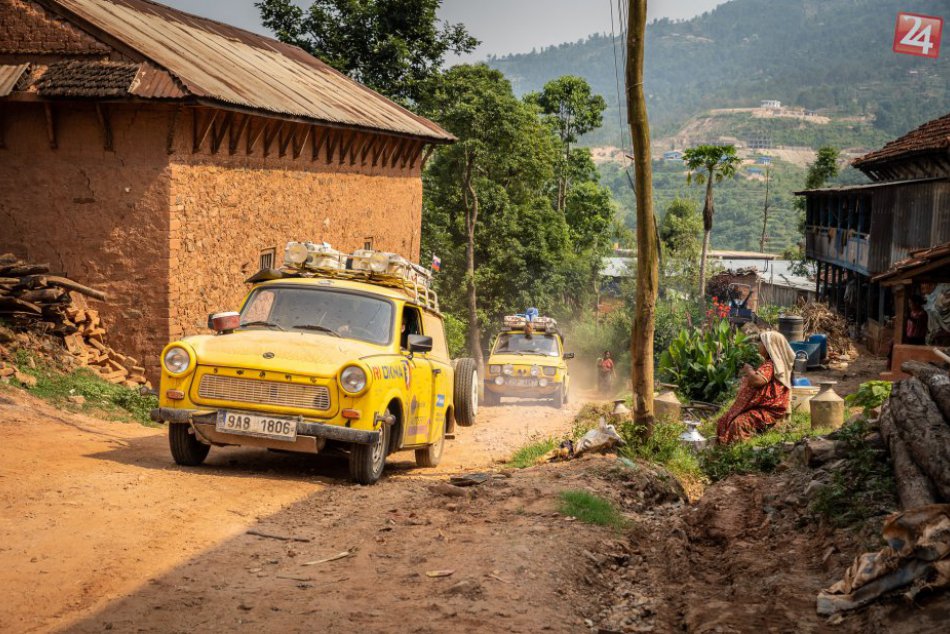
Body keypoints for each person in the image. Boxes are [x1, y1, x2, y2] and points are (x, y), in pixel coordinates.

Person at [716, 331, 796, 445]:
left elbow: (757, 381)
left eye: (761, 342)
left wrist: (749, 370)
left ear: (770, 347)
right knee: (725, 419)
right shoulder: (772, 365)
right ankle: (724, 450)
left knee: (739, 423)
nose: (758, 345)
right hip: (761, 407)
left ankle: (740, 451)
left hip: (768, 410)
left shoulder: (771, 365)